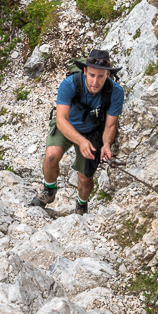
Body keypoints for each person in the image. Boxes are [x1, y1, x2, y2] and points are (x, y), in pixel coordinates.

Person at [30, 49, 124, 215]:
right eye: (92, 75)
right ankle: (49, 189)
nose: (95, 81)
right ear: (85, 71)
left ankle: (82, 205)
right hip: (67, 125)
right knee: (51, 156)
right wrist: (81, 141)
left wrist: (107, 145)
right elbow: (61, 120)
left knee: (85, 176)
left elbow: (110, 126)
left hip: (93, 130)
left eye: (101, 76)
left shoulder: (115, 92)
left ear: (108, 74)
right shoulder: (70, 84)